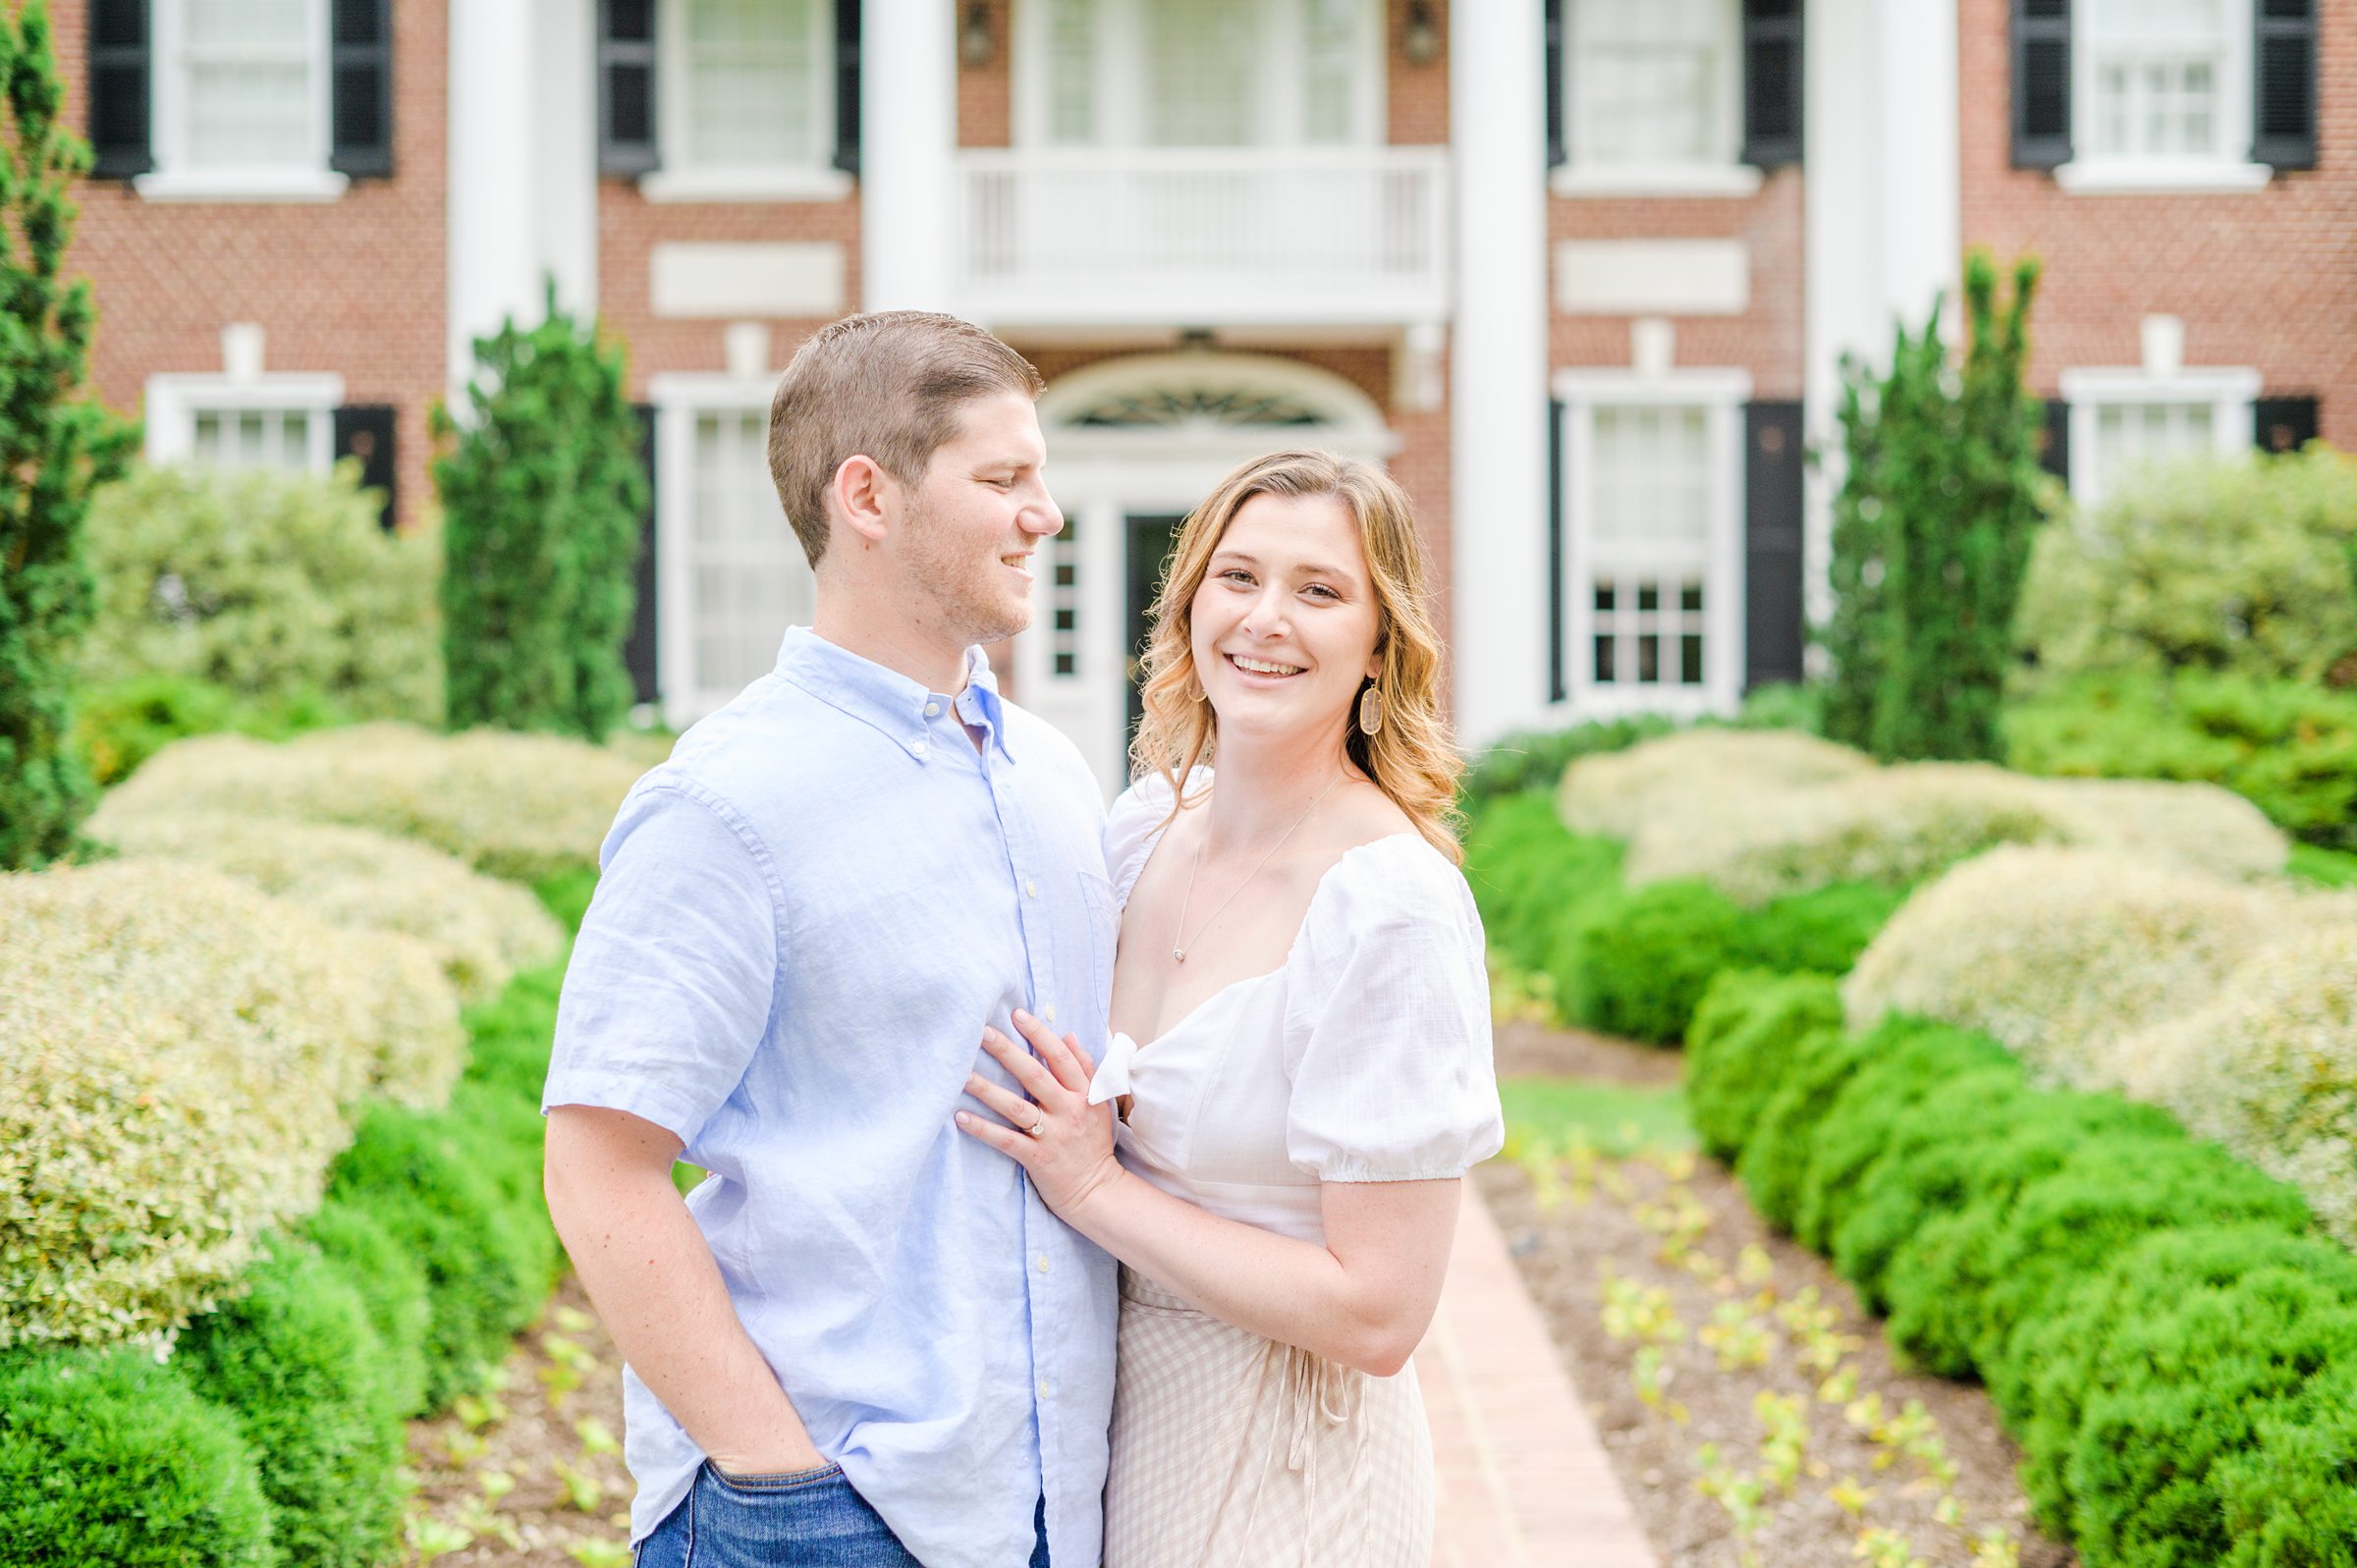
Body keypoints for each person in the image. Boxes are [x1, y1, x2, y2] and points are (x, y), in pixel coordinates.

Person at [541, 311, 1119, 1568]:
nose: (1048, 514)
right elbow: (596, 1163)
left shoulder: (1053, 777)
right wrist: (775, 1469)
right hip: (825, 1514)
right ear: (868, 494)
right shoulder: (727, 805)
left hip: (1048, 1509)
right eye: (1004, 479)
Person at [956, 449, 1506, 1567]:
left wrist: (1094, 1184)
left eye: (1320, 590)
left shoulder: (1390, 907)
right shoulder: (1142, 828)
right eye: (1238, 576)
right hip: (1107, 1434)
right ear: (1190, 600)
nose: (1266, 619)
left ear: (1380, 647)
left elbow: (1381, 1314)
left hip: (1291, 1465)